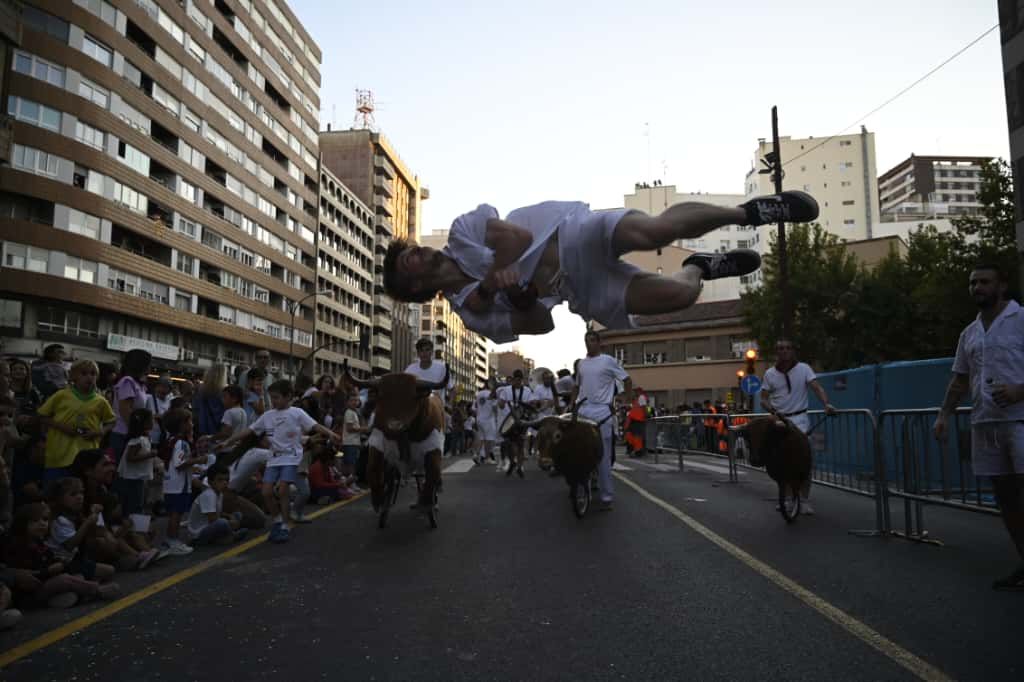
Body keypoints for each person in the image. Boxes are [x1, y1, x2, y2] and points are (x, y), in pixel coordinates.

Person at [381, 193, 818, 343]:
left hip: (569, 233)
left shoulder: (462, 231)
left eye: (410, 250)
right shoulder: (472, 315)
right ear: (415, 286)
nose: (416, 253)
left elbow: (515, 238)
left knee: (654, 232)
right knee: (680, 297)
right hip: (576, 287)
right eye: (408, 263)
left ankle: (748, 214)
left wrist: (497, 276)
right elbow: (538, 326)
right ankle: (699, 267)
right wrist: (517, 295)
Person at [933, 264, 1024, 590]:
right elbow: (959, 379)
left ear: (1002, 285)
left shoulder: (1021, 319)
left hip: (1020, 421)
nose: (977, 288)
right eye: (973, 283)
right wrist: (944, 415)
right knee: (1006, 499)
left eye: (985, 281)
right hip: (986, 423)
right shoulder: (969, 333)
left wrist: (1019, 390)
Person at [220, 380, 341, 544]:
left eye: (277, 397)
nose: (274, 401)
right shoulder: (268, 415)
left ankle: (285, 524)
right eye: (272, 397)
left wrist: (331, 434)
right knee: (266, 492)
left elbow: (315, 425)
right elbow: (249, 431)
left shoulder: (296, 413)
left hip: (291, 458)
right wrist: (228, 441)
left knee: (283, 490)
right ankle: (278, 520)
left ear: (288, 396)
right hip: (274, 458)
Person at [760, 339, 836, 515]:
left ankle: (804, 499)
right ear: (776, 352)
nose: (784, 351)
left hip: (800, 419)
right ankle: (787, 498)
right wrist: (771, 410)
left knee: (804, 460)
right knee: (780, 462)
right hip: (780, 420)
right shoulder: (770, 374)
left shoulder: (804, 369)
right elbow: (763, 398)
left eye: (787, 348)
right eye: (780, 349)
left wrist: (826, 404)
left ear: (793, 351)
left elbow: (816, 388)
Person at [6, 502, 120, 608]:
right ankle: (97, 590)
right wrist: (48, 571)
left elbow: (51, 559)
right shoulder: (19, 547)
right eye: (35, 521)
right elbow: (24, 576)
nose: (42, 524)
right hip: (31, 592)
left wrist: (59, 562)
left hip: (47, 583)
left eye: (45, 520)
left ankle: (74, 597)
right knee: (64, 579)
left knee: (77, 577)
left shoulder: (39, 542)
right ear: (23, 524)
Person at [571, 330, 631, 510]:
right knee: (580, 453)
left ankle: (606, 497)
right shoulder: (581, 364)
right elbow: (576, 386)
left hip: (602, 412)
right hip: (583, 411)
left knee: (603, 456)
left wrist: (625, 399)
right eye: (586, 341)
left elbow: (626, 380)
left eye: (591, 340)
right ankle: (582, 488)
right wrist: (571, 405)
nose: (588, 344)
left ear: (599, 342)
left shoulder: (608, 361)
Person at [37, 360, 116, 481]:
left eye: (93, 374)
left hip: (87, 457)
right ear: (73, 377)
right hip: (59, 454)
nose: (89, 377)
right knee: (55, 490)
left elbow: (111, 421)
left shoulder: (101, 401)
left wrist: (100, 431)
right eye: (84, 373)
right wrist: (63, 427)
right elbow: (42, 416)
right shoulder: (61, 395)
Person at [161, 408, 205, 556]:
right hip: (178, 485)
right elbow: (180, 463)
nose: (192, 424)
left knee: (175, 512)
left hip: (171, 483)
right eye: (189, 421)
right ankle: (172, 540)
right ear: (182, 425)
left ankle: (171, 539)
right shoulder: (181, 443)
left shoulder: (171, 440)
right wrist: (198, 460)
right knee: (176, 513)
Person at [186, 465, 247, 546]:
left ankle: (222, 539)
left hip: (209, 527)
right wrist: (230, 522)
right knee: (223, 523)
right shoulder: (209, 495)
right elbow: (213, 519)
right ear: (210, 482)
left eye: (226, 480)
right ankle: (231, 536)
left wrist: (230, 516)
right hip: (198, 533)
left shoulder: (219, 494)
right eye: (220, 480)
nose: (224, 483)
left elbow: (218, 513)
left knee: (237, 515)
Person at [109, 349, 152, 463]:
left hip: (133, 434)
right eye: (148, 364)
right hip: (124, 434)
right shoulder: (128, 381)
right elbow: (125, 410)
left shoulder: (140, 384)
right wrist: (137, 432)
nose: (150, 367)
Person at [116, 408, 158, 516]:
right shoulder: (137, 440)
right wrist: (150, 455)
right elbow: (130, 458)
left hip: (138, 476)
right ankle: (134, 526)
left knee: (139, 502)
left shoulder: (145, 438)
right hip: (133, 478)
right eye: (151, 420)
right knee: (135, 505)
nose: (153, 422)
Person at [497, 370, 535, 478]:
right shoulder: (506, 390)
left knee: (520, 444)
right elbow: (501, 405)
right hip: (509, 421)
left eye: (520, 380)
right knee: (510, 443)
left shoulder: (527, 391)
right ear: (513, 379)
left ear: (522, 380)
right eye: (516, 379)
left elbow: (531, 404)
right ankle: (513, 462)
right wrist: (501, 403)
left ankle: (519, 466)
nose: (518, 382)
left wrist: (532, 404)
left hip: (522, 420)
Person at [404, 338, 453, 402]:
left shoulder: (442, 368)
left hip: (438, 409)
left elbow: (452, 389)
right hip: (416, 408)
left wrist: (450, 404)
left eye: (427, 350)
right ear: (418, 353)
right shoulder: (410, 370)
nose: (424, 353)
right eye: (421, 350)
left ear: (432, 352)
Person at [193, 364, 227, 440]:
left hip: (202, 429)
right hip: (217, 432)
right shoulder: (224, 393)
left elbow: (195, 410)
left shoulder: (200, 391)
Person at [473, 378, 500, 466]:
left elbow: (474, 407)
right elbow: (495, 407)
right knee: (489, 439)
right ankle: (487, 458)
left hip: (479, 418)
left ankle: (476, 454)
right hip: (488, 419)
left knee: (481, 438)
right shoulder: (491, 394)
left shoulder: (479, 394)